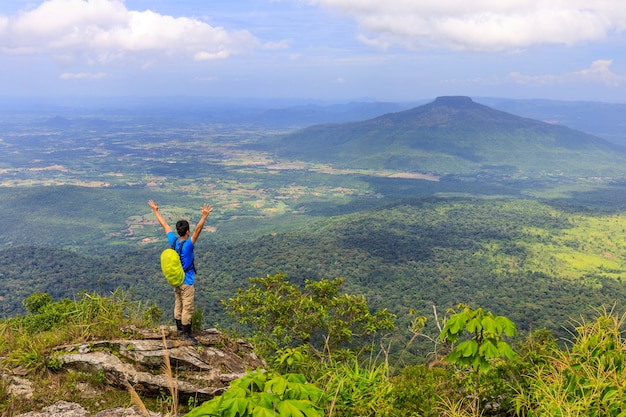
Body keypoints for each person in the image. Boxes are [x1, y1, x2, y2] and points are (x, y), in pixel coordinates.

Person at [148, 199, 212, 343]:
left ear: (178, 231)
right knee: (187, 307)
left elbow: (164, 225)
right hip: (187, 281)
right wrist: (204, 216)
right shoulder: (188, 245)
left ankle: (178, 329)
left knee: (178, 304)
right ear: (187, 231)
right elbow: (198, 231)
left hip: (176, 279)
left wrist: (155, 211)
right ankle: (186, 334)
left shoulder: (173, 241)